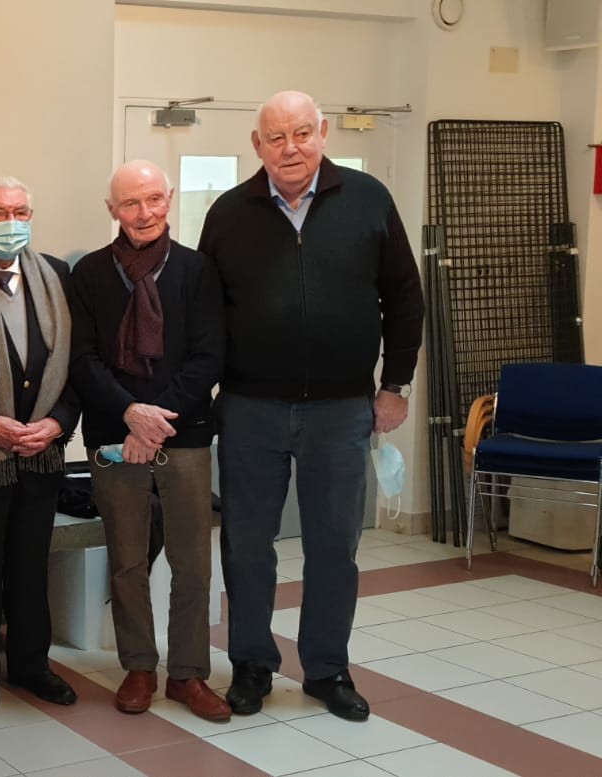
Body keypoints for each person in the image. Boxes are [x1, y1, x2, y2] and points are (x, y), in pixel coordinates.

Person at [199, 90, 425, 722]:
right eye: (277, 137)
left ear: (323, 132)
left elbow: (405, 298)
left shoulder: (368, 199)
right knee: (247, 544)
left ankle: (327, 669)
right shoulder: (228, 213)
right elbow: (206, 318)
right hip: (249, 408)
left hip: (341, 409)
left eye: (302, 133)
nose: (291, 147)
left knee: (333, 544)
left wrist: (395, 385)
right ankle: (251, 664)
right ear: (257, 145)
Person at [68, 160, 229, 721]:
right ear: (112, 209)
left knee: (192, 563)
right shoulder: (87, 274)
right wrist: (129, 413)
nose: (144, 213)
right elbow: (82, 360)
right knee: (128, 560)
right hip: (115, 436)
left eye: (154, 200)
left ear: (169, 199)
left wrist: (158, 419)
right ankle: (139, 666)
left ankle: (188, 675)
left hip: (183, 436)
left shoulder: (197, 270)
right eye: (131, 203)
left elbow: (209, 355)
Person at [0, 177, 80, 714]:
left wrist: (56, 423)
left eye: (21, 210)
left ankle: (31, 664)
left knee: (32, 568)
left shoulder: (55, 275)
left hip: (42, 453)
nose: (11, 221)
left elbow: (75, 363)